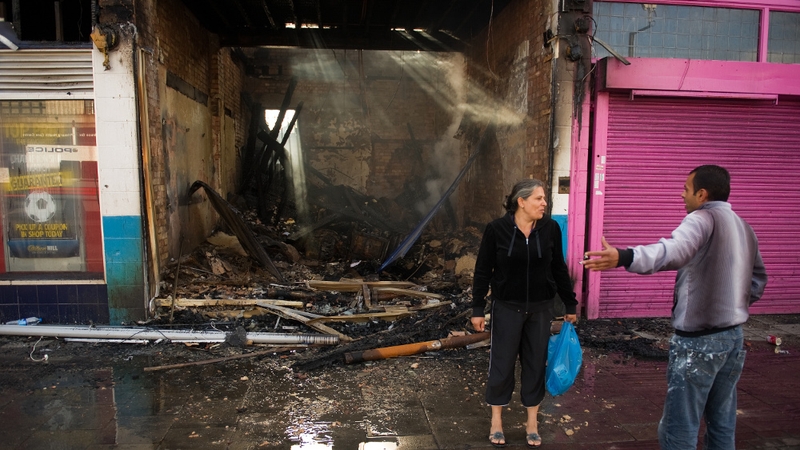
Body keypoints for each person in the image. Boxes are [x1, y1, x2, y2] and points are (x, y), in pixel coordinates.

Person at [582, 164, 767, 450]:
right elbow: (757, 281)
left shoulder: (701, 219)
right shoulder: (744, 227)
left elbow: (672, 251)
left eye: (686, 189)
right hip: (733, 339)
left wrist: (625, 256)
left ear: (702, 194)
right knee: (722, 423)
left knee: (679, 427)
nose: (681, 194)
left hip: (698, 344)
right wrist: (732, 306)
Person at [471, 179, 578, 448]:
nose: (544, 203)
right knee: (502, 364)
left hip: (541, 309)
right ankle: (497, 421)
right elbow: (483, 271)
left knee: (534, 364)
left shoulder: (550, 228)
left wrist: (570, 304)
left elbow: (559, 268)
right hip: (506, 307)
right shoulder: (497, 230)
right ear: (521, 201)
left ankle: (532, 422)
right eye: (539, 199)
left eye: (544, 199)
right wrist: (477, 309)